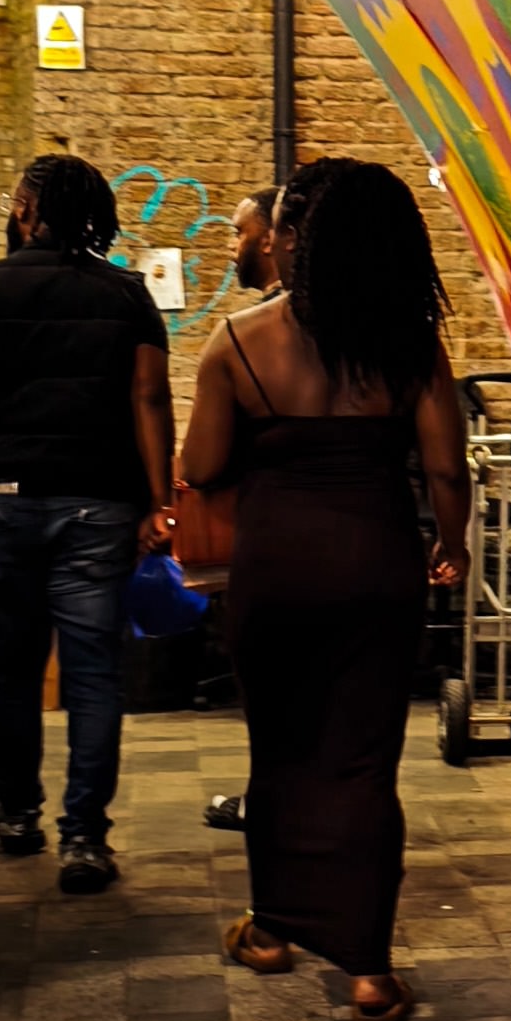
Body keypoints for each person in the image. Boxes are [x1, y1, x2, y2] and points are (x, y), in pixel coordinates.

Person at [172, 158, 467, 1021]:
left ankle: (271, 930)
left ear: (293, 241)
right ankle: (368, 973)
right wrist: (449, 544)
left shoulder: (238, 341)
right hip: (376, 566)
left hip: (278, 567)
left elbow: (200, 466)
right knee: (364, 763)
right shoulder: (410, 345)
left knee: (282, 751)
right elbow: (446, 468)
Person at [0, 152, 173, 895]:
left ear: (29, 211)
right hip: (100, 505)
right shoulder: (127, 295)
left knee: (14, 664)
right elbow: (149, 399)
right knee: (93, 673)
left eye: (15, 201)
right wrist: (161, 500)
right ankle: (85, 838)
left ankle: (18, 811)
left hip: (5, 499)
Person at [203, 183, 284, 835]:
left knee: (275, 684)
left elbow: (203, 463)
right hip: (366, 542)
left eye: (238, 232)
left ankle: (274, 800)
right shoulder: (377, 331)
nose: (233, 246)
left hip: (275, 538)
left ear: (272, 237)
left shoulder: (248, 335)